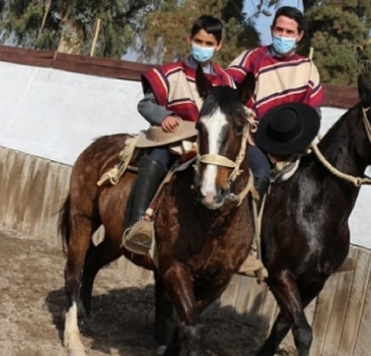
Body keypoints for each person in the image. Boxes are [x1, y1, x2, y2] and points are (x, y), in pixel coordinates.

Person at [122, 15, 235, 255]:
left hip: (207, 145)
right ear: (190, 40)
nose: (202, 47)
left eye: (208, 43)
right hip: (173, 139)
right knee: (156, 160)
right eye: (198, 41)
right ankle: (138, 224)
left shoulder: (226, 81)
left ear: (219, 46)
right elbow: (146, 105)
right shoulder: (171, 73)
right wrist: (163, 116)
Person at [226, 6, 324, 271]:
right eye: (279, 30)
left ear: (300, 35)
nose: (283, 35)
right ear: (271, 30)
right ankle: (247, 246)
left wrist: (299, 142)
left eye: (289, 32)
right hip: (253, 137)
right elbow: (227, 93)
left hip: (293, 143)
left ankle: (316, 246)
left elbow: (313, 111)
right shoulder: (251, 58)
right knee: (259, 173)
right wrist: (245, 129)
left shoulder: (307, 68)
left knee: (320, 180)